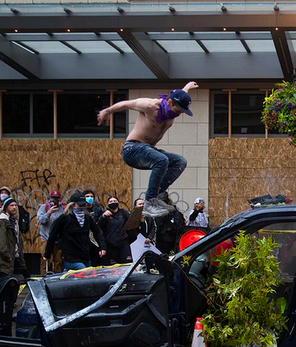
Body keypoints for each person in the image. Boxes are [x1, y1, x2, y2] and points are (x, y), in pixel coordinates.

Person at [97, 82, 198, 218]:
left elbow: (179, 95)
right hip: (132, 149)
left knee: (180, 162)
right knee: (162, 160)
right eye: (178, 111)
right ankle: (149, 202)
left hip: (147, 150)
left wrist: (187, 87)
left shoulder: (172, 109)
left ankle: (156, 196)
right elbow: (126, 104)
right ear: (169, 102)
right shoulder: (150, 106)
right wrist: (107, 111)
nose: (178, 114)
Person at [44, 193, 106, 271]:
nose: (82, 207)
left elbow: (97, 232)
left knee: (86, 274)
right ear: (73, 205)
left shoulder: (87, 218)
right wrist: (47, 254)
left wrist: (102, 247)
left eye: (83, 205)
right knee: (84, 272)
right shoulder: (64, 218)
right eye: (80, 205)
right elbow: (53, 235)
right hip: (71, 257)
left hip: (86, 255)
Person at [0, 197, 26, 302]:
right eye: (11, 205)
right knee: (4, 281)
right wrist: (6, 255)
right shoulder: (2, 221)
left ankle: (0, 302)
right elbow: (1, 240)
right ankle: (2, 303)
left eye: (15, 205)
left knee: (1, 278)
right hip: (4, 257)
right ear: (6, 208)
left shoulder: (13, 221)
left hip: (12, 255)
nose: (14, 207)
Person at [36, 190, 65, 274]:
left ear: (60, 199)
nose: (55, 200)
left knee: (58, 260)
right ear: (50, 198)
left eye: (57, 198)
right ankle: (43, 276)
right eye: (53, 198)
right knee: (45, 260)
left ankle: (57, 276)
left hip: (58, 239)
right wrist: (49, 213)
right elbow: (40, 220)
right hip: (46, 237)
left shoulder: (63, 209)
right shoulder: (44, 208)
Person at [99, 197, 132, 265]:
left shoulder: (123, 212)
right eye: (111, 201)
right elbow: (99, 227)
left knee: (127, 263)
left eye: (114, 201)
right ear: (108, 204)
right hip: (111, 244)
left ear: (118, 203)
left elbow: (131, 221)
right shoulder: (105, 214)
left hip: (123, 243)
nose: (113, 202)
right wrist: (103, 216)